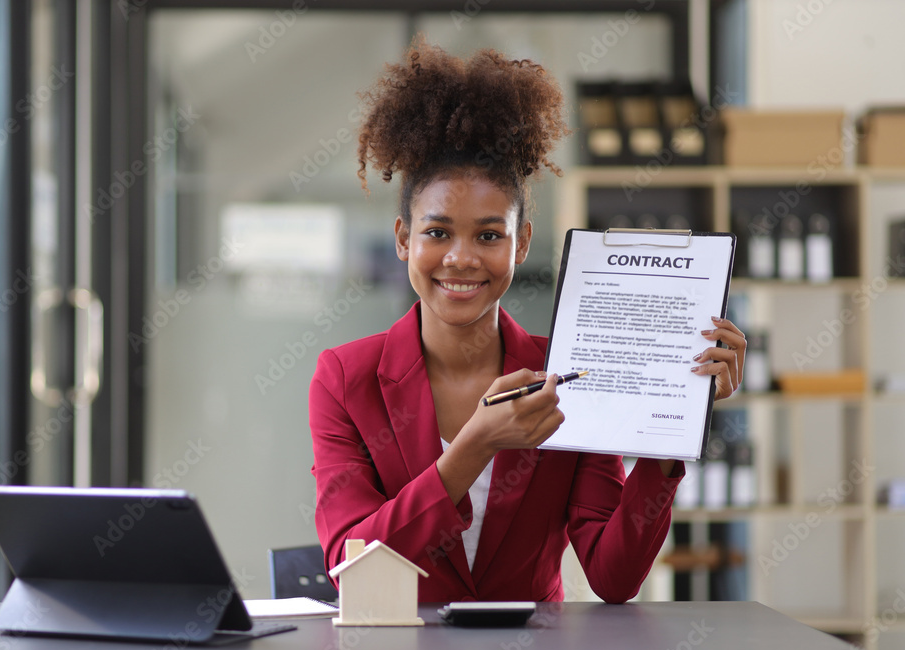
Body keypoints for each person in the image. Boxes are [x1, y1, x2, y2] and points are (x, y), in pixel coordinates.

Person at [309, 37, 746, 604]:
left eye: (489, 235)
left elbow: (614, 579)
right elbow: (351, 564)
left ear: (521, 246)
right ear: (403, 240)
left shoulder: (569, 373)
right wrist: (473, 448)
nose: (462, 258)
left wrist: (673, 426)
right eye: (437, 232)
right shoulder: (346, 378)